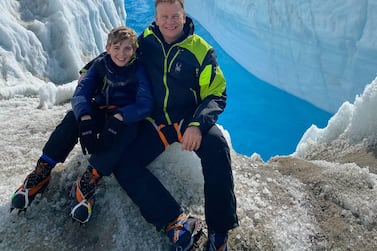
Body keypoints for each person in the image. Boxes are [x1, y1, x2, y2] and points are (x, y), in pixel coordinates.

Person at [86, 1, 238, 250]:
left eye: (174, 16)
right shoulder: (145, 42)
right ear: (155, 18)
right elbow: (115, 56)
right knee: (125, 164)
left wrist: (197, 124)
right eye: (164, 16)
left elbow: (216, 92)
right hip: (155, 122)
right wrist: (87, 71)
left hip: (187, 120)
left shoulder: (201, 50)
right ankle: (173, 221)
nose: (169, 22)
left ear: (184, 15)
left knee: (217, 146)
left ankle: (219, 231)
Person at [10, 26, 153, 224]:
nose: (122, 54)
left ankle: (90, 178)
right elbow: (81, 93)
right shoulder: (100, 65)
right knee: (72, 119)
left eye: (127, 49)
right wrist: (85, 118)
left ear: (134, 50)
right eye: (117, 47)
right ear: (108, 47)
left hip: (122, 118)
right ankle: (43, 169)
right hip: (100, 111)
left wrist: (121, 116)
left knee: (128, 130)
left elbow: (145, 103)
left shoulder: (138, 70)